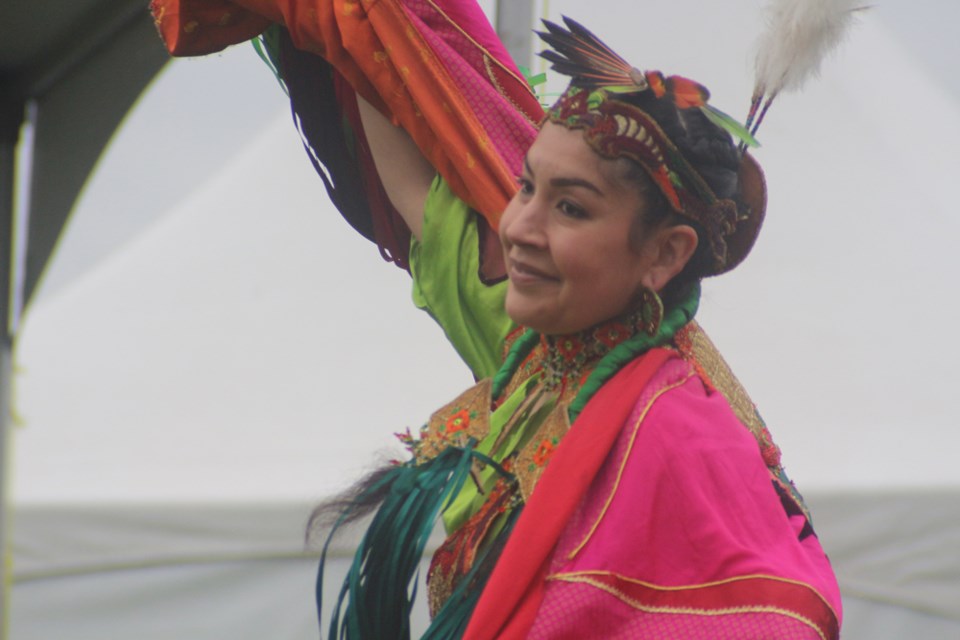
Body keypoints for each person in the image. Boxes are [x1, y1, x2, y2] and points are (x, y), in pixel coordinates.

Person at [152, 1, 842, 637]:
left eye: (570, 207)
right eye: (524, 187)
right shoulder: (534, 348)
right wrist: (353, 22)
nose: (519, 228)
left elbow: (774, 614)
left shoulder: (684, 438)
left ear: (665, 253)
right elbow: (420, 194)